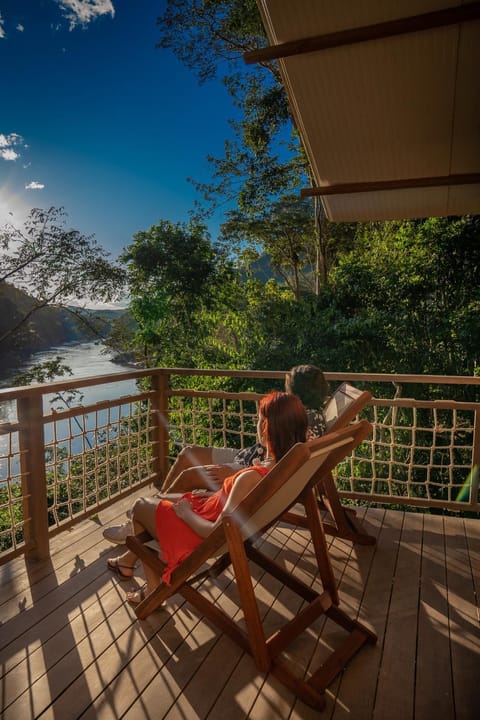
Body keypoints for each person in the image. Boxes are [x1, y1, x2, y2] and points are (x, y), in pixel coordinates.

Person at [107, 391, 308, 605]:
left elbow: (217, 531)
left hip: (199, 532)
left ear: (267, 427)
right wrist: (213, 496)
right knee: (163, 499)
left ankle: (150, 587)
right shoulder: (285, 469)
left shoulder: (251, 477)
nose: (256, 424)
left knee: (141, 506)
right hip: (208, 512)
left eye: (259, 420)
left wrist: (185, 513)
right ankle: (128, 563)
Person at [103, 364, 328, 544]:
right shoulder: (308, 414)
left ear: (295, 389)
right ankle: (148, 516)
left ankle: (142, 524)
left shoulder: (302, 419)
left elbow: (282, 463)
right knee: (189, 453)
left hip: (246, 468)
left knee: (188, 474)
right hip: (248, 460)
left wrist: (239, 472)